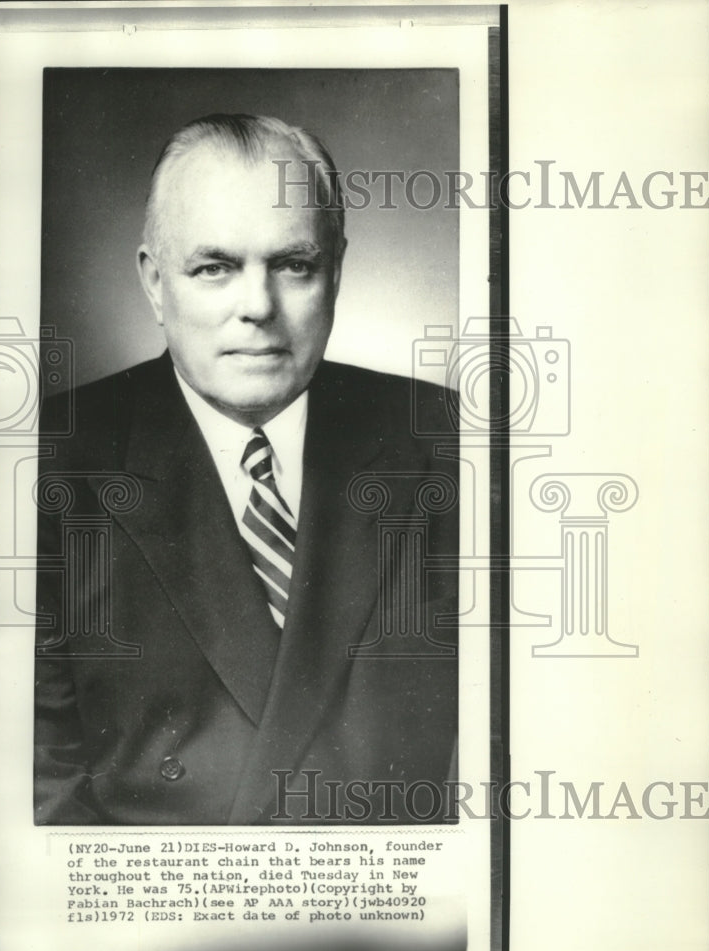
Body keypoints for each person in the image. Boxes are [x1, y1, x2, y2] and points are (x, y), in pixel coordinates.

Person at [34, 113, 458, 825]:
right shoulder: (42, 463)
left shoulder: (451, 441)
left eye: (294, 265)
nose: (258, 307)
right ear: (154, 282)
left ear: (336, 271)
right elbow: (33, 790)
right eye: (215, 268)